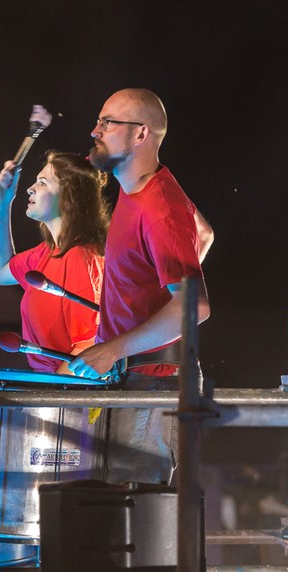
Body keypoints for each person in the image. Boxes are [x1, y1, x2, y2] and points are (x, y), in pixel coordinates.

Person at [67, 88, 212, 485]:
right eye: (99, 121)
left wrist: (111, 349)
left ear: (141, 134)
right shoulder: (143, 192)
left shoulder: (158, 208)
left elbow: (195, 307)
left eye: (108, 123)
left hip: (154, 379)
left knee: (135, 515)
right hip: (134, 374)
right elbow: (204, 232)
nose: (95, 130)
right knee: (117, 510)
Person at [0, 150, 108, 374]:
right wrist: (3, 203)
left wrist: (53, 399)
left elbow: (88, 347)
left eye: (42, 183)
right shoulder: (46, 253)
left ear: (68, 198)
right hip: (52, 389)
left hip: (67, 397)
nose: (30, 188)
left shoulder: (80, 258)